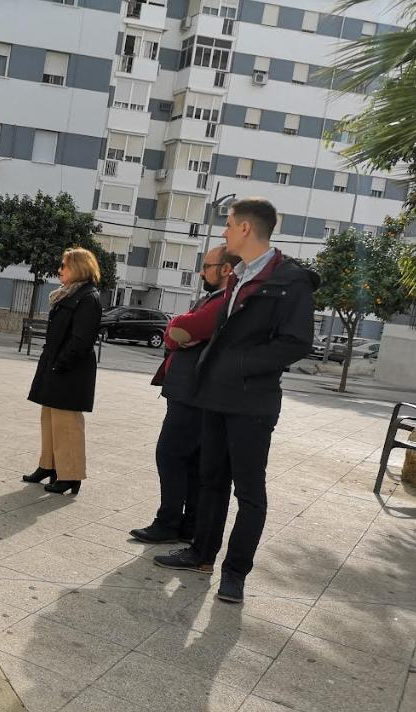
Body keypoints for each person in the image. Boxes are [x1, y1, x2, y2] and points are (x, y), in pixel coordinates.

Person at [154, 198, 318, 604]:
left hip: (253, 403)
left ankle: (235, 572)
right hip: (215, 396)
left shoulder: (291, 280)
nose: (224, 231)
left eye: (228, 224)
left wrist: (238, 365)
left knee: (249, 492)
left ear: (246, 228)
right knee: (210, 480)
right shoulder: (238, 276)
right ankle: (201, 555)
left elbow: (296, 342)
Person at [130, 245, 240, 543]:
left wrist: (178, 327)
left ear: (226, 270)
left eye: (207, 266)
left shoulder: (221, 302)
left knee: (170, 455)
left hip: (193, 394)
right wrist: (178, 332)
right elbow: (177, 333)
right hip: (193, 391)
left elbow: (185, 328)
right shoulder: (214, 299)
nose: (201, 272)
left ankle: (167, 523)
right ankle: (188, 525)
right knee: (191, 460)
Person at [22, 247, 103, 495]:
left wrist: (60, 364)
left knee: (68, 424)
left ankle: (71, 475)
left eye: (64, 266)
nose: (59, 270)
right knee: (49, 419)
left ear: (77, 268)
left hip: (70, 370)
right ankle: (49, 465)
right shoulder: (71, 294)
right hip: (56, 365)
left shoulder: (88, 297)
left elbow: (80, 340)